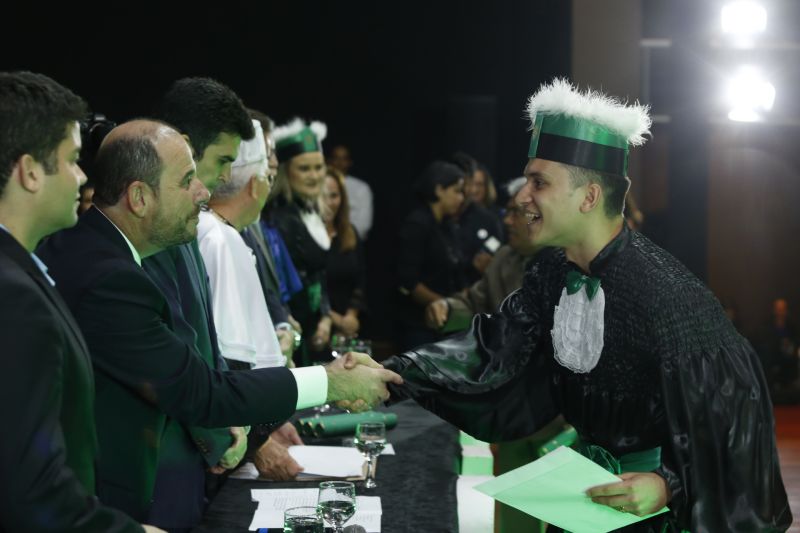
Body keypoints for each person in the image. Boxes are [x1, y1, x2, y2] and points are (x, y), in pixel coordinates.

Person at [381, 79, 790, 531]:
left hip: (648, 514)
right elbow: (496, 350)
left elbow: (736, 425)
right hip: (582, 495)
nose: (520, 197)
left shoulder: (668, 295)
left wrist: (666, 483)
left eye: (539, 182)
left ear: (589, 196)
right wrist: (394, 372)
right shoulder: (551, 271)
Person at [36, 119, 402, 524]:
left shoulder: (114, 257)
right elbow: (198, 389)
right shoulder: (108, 276)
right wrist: (329, 381)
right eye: (187, 179)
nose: (205, 192)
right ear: (139, 197)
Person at [0, 71, 159, 532]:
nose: (83, 176)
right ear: (30, 172)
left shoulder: (20, 273)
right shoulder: (12, 296)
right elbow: (27, 490)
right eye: (71, 160)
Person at [267, 118, 333, 364]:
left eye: (319, 167)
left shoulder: (313, 211)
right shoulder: (277, 219)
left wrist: (325, 317)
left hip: (315, 331)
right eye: (304, 168)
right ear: (285, 171)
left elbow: (319, 274)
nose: (314, 176)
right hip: (291, 335)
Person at [396, 160, 469, 349]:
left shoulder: (448, 226)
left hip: (447, 324)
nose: (461, 198)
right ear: (439, 190)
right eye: (457, 191)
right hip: (420, 326)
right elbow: (408, 280)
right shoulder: (417, 224)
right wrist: (444, 304)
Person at [322, 167, 366, 339]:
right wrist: (337, 320)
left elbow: (361, 279)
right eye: (323, 196)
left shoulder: (350, 232)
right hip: (317, 326)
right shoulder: (303, 235)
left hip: (349, 328)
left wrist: (351, 316)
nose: (329, 202)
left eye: (334, 196)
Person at [449, 152, 504, 284]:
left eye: (469, 183)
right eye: (457, 184)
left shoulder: (489, 220)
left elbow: (496, 258)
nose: (471, 190)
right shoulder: (434, 217)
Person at [327, 144, 374, 240]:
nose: (339, 163)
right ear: (329, 160)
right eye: (336, 158)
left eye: (344, 159)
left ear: (350, 162)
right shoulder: (320, 185)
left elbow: (363, 225)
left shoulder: (361, 188)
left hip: (351, 242)